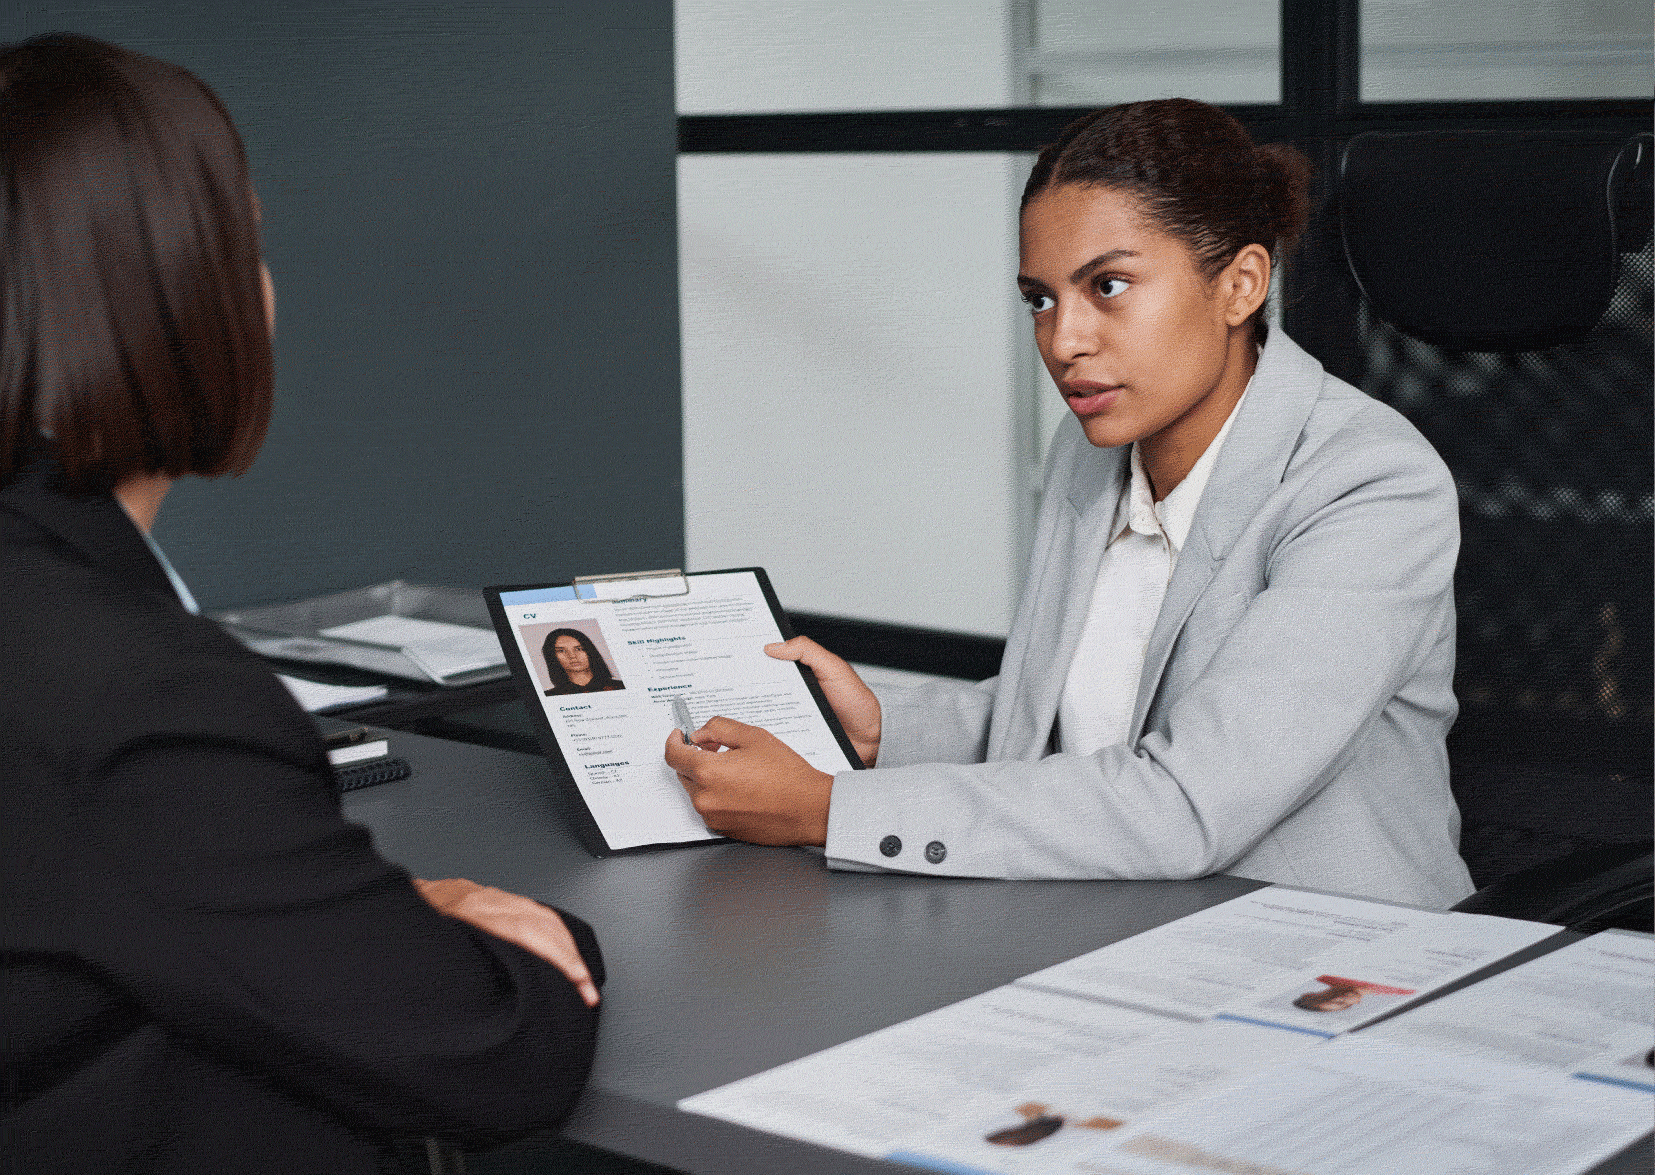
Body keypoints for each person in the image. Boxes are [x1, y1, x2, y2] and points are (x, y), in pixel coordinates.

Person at [1, 35, 603, 1174]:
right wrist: (540, 937)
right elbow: (490, 1048)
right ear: (178, 300)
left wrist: (341, 910)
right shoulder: (145, 700)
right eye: (251, 246)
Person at [666, 98, 1475, 910]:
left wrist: (827, 809)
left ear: (1240, 285)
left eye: (1109, 285)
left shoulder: (1368, 484)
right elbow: (1065, 723)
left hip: (1328, 960)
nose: (1063, 341)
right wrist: (882, 728)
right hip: (1111, 923)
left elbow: (1188, 803)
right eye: (1040, 299)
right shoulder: (1093, 452)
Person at [542, 627, 625, 695]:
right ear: (552, 656)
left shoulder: (621, 687)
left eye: (579, 649)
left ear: (590, 651)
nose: (572, 656)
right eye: (561, 651)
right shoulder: (549, 695)